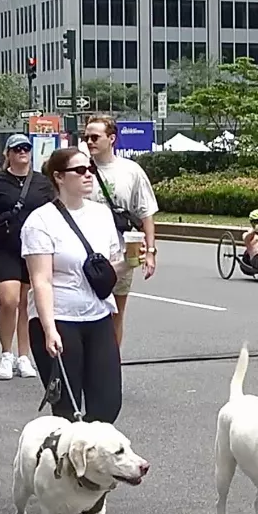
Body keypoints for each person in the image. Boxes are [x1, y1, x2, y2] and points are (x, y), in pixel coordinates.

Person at [22, 147, 126, 425]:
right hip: (60, 319)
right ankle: (70, 464)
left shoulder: (102, 215)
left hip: (98, 315)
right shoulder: (40, 221)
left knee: (107, 405)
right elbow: (40, 280)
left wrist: (129, 262)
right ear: (59, 177)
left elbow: (108, 265)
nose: (88, 175)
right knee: (67, 409)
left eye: (90, 169)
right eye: (80, 170)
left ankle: (90, 459)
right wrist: (49, 329)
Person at [0, 133, 54, 381]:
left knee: (26, 303)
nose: (22, 152)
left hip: (33, 251)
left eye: (26, 148)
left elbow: (56, 215)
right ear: (7, 154)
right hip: (3, 247)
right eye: (17, 148)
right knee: (9, 301)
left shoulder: (43, 183)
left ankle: (23, 355)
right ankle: (6, 353)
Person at [82, 115, 158, 349]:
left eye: (95, 137)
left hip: (121, 252)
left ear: (111, 138)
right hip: (84, 251)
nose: (90, 142)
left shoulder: (131, 171)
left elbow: (146, 213)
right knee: (84, 311)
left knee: (116, 311)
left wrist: (151, 251)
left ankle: (110, 364)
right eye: (86, 138)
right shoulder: (80, 169)